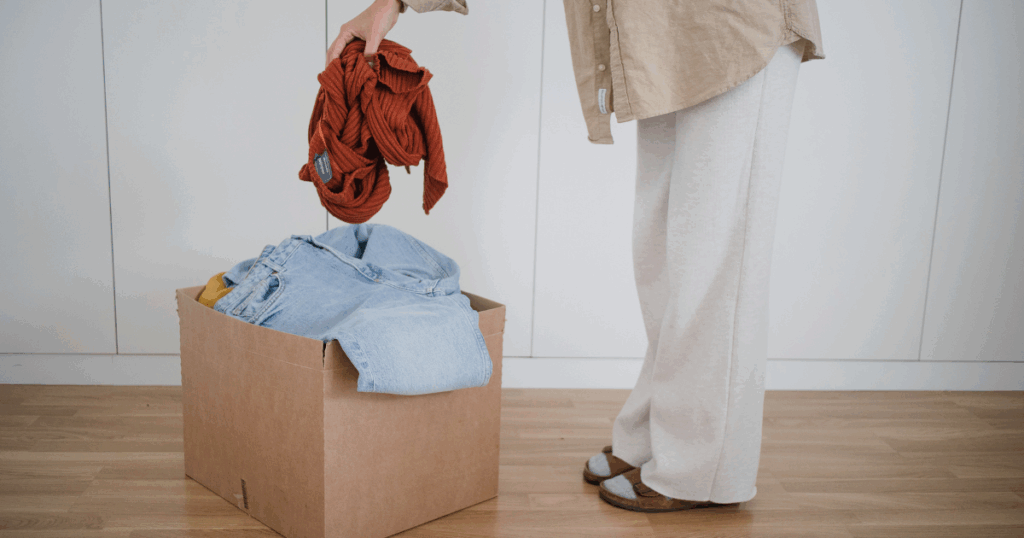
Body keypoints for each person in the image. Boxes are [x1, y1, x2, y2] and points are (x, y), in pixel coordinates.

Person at [329, 0, 824, 513]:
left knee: (714, 264)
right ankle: (656, 438)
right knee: (662, 259)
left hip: (733, 28)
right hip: (669, 40)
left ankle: (701, 468)